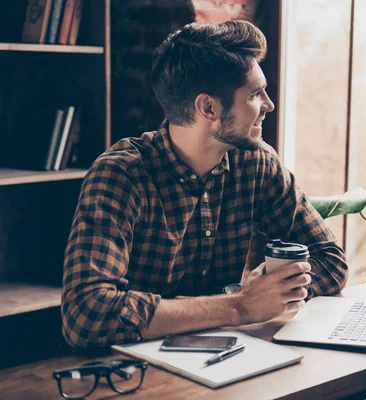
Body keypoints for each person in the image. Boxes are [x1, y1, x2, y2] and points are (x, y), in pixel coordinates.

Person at [61, 20, 348, 348]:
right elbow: (86, 316)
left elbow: (330, 261)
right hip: (128, 370)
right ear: (209, 107)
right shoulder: (121, 176)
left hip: (222, 355)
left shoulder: (257, 163)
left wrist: (262, 293)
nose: (269, 105)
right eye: (255, 94)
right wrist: (239, 306)